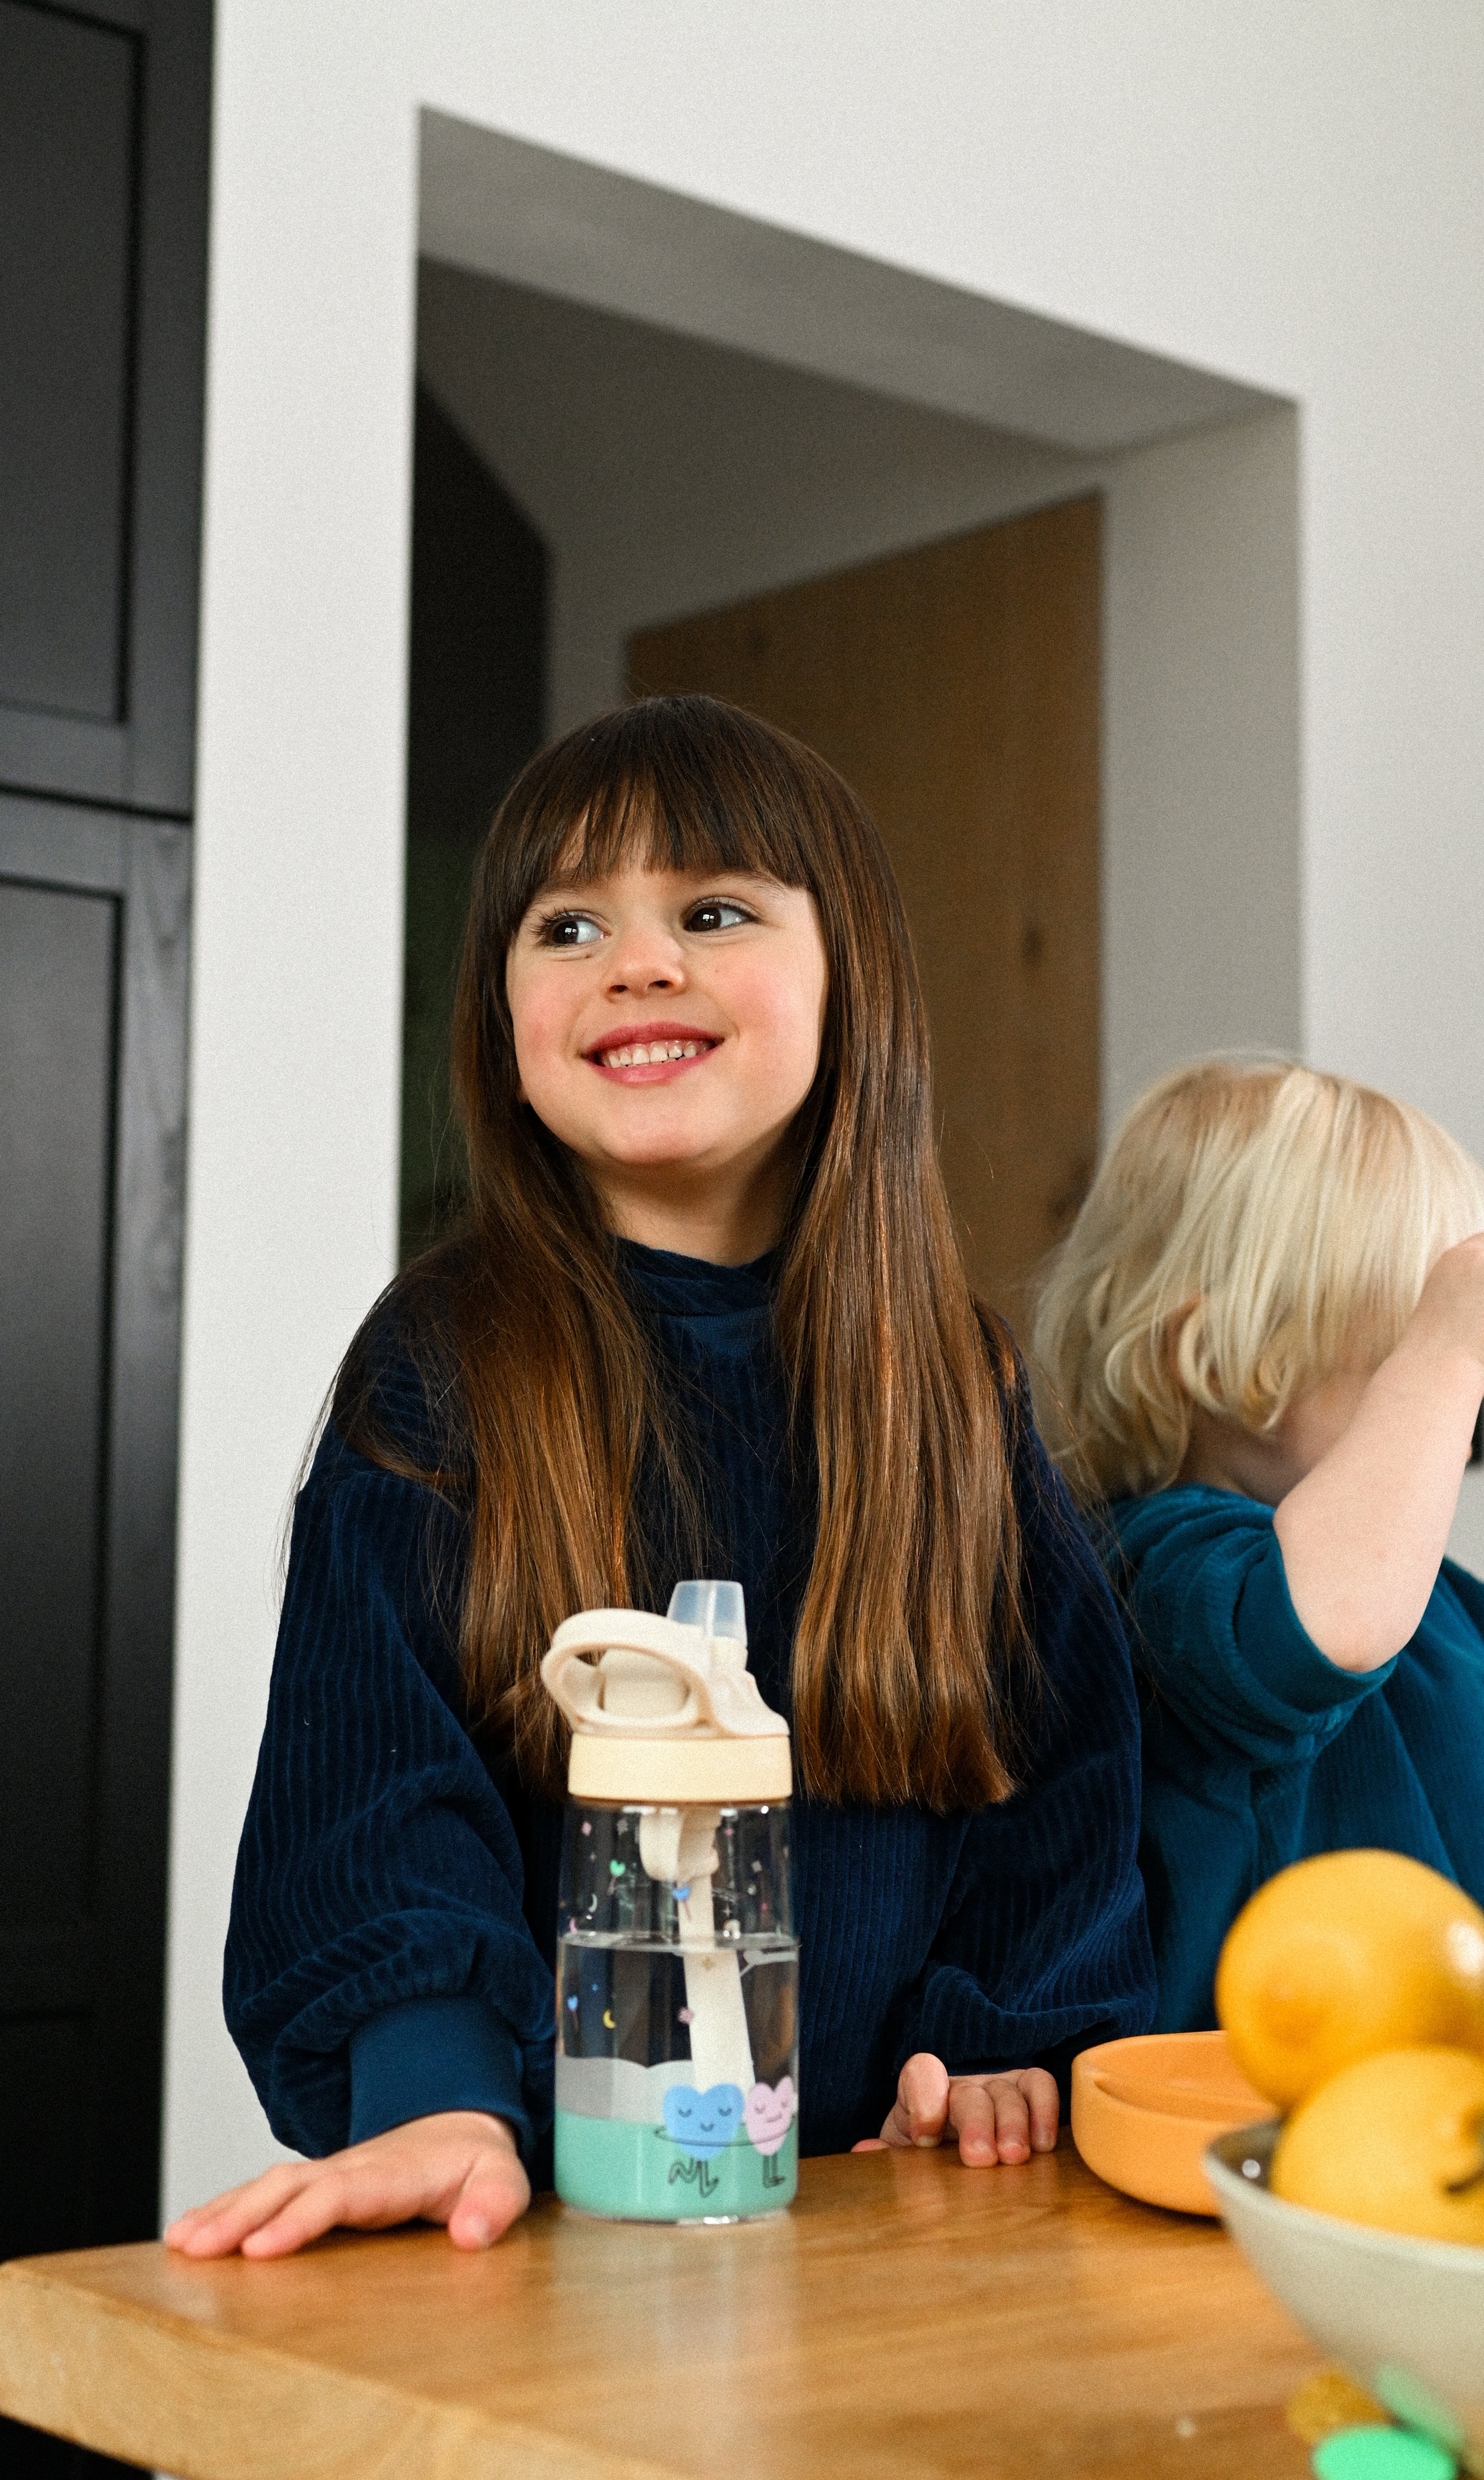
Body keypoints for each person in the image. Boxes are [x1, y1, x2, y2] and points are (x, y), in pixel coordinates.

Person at [166, 695, 1152, 2262]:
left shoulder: (955, 1386)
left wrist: (1002, 2056)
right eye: (569, 924)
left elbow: (1058, 1780)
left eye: (711, 909)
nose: (638, 960)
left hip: (891, 2232)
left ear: (855, 977)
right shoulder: (439, 1364)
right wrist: (434, 2094)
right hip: (538, 2233)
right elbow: (374, 1792)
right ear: (501, 1015)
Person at [1033, 1057, 1484, 2036]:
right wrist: (1450, 1347)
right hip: (1230, 2131)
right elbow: (1320, 1631)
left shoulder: (1439, 1603)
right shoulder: (1157, 1563)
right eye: (1404, 1349)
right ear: (1213, 1356)